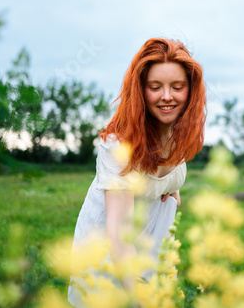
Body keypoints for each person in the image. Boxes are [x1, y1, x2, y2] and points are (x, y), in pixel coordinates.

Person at [67, 38, 206, 307]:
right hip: (110, 255)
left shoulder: (179, 137)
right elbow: (118, 235)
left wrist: (170, 190)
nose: (167, 96)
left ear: (190, 90)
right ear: (140, 91)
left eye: (177, 87)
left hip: (152, 248)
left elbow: (161, 180)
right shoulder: (118, 145)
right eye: (156, 87)